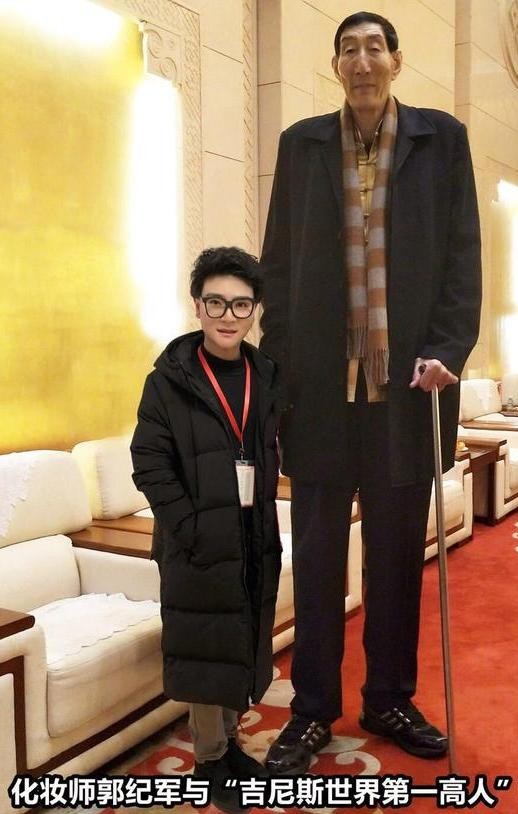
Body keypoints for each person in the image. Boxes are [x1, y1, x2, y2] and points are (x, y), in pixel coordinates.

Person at [259, 11, 482, 775]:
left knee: (393, 559)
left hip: (406, 391)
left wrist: (447, 350)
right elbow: (278, 266)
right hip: (320, 393)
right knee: (319, 560)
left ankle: (388, 696)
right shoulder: (302, 145)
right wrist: (278, 368)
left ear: (395, 60)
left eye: (374, 47)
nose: (362, 60)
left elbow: (462, 257)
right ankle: (312, 708)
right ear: (335, 65)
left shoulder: (439, 140)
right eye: (348, 48)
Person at [131, 247, 281, 813]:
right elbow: (149, 462)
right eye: (215, 301)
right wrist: (190, 529)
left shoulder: (265, 374)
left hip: (251, 533)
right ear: (197, 306)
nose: (228, 315)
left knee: (240, 640)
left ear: (254, 310)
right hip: (196, 541)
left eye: (241, 304)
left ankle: (231, 745)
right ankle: (210, 760)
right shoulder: (168, 380)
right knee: (205, 648)